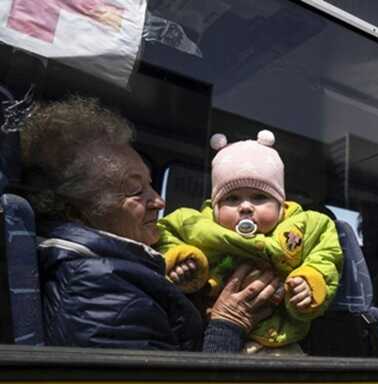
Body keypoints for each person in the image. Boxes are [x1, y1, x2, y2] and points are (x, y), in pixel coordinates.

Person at [20, 96, 280, 351]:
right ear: (76, 211)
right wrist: (228, 324)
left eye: (151, 184)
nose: (159, 201)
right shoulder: (96, 294)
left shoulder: (116, 272)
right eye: (135, 190)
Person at [155, 130, 343, 353]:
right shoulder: (197, 225)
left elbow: (326, 254)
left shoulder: (304, 226)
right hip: (207, 333)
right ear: (215, 208)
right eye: (232, 199)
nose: (245, 206)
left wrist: (309, 281)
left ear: (281, 207)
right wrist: (183, 260)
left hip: (278, 339)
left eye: (259, 197)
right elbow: (164, 234)